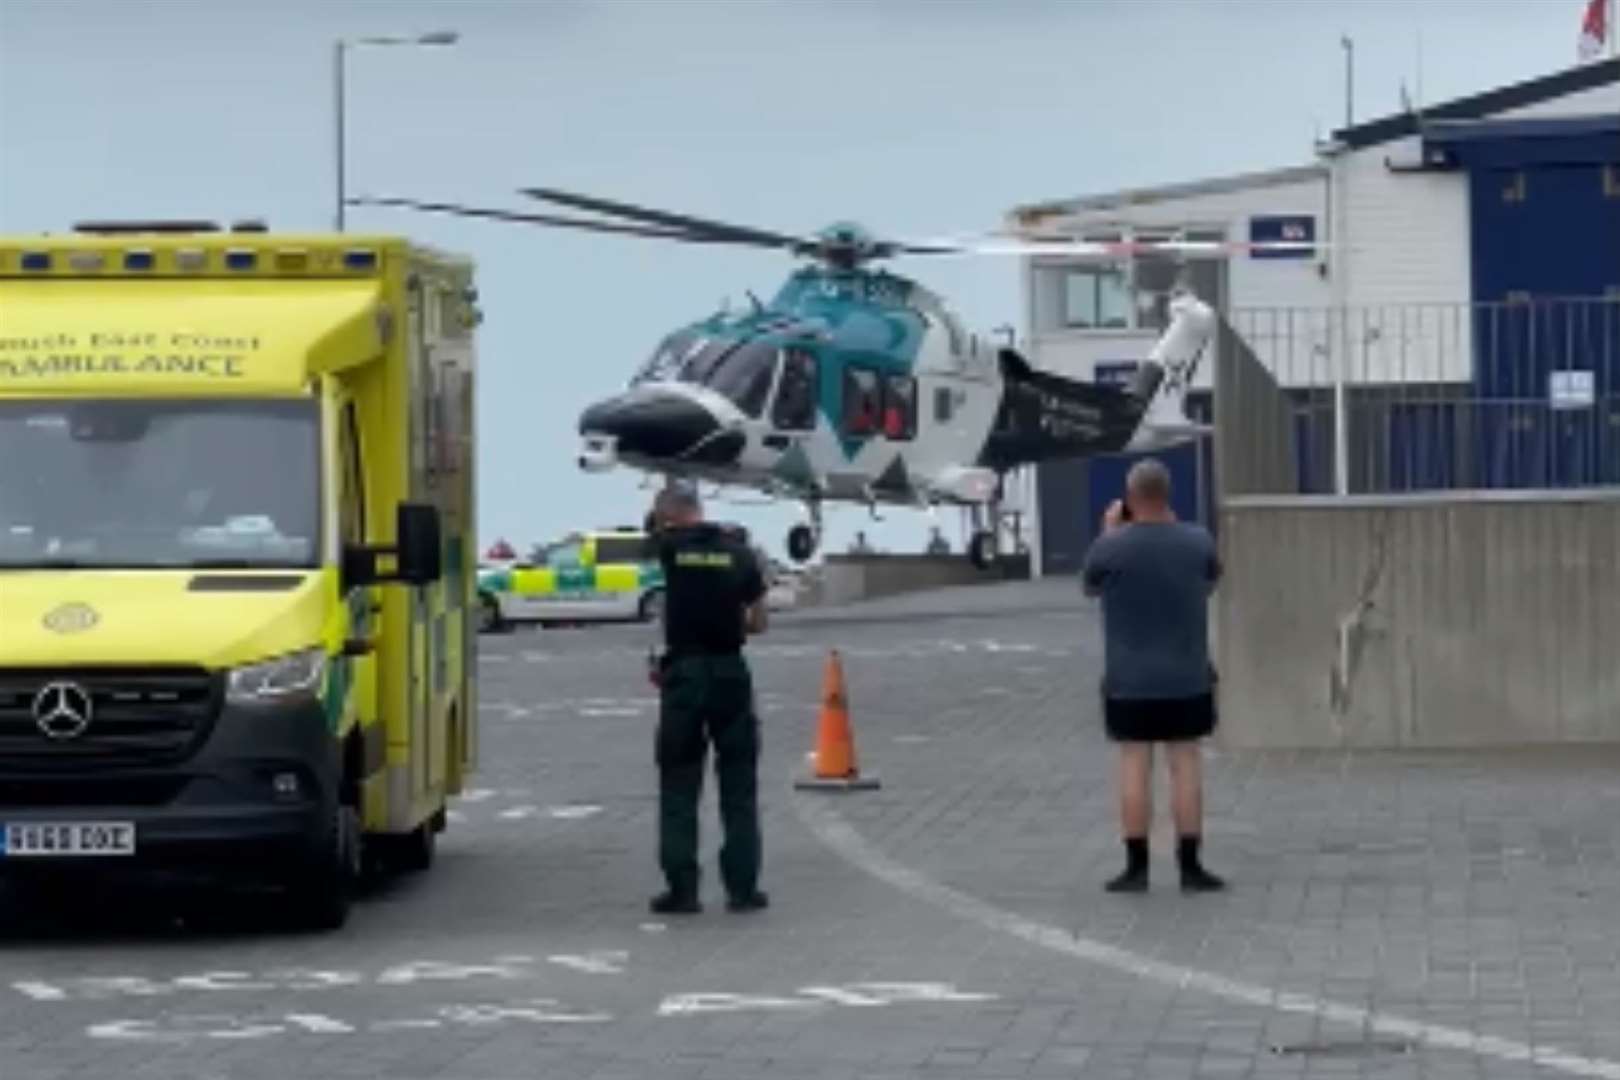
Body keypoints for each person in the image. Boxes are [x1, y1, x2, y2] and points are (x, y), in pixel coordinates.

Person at [1081, 458, 1225, 895]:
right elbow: (1210, 579)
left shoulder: (1110, 547)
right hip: (1186, 678)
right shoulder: (1197, 540)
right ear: (1168, 495)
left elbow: (1091, 586)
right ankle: (1191, 866)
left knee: (1134, 765)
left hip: (1130, 681)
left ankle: (1136, 868)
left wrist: (1110, 533)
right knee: (1186, 765)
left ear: (1129, 498)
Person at [646, 481, 771, 915]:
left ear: (668, 517)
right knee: (738, 782)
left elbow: (653, 531)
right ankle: (742, 888)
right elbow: (759, 621)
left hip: (684, 674)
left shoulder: (669, 549)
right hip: (730, 672)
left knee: (679, 781)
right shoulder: (740, 553)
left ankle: (682, 889)